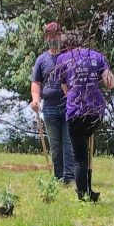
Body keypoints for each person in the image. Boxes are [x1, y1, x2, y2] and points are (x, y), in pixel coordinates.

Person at [56, 30, 114, 202]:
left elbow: (66, 90)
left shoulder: (62, 59)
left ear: (66, 45)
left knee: (80, 157)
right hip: (95, 110)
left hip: (75, 110)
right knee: (86, 149)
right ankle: (89, 190)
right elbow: (110, 84)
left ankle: (83, 195)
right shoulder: (97, 56)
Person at [30, 22, 75, 187]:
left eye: (56, 35)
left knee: (69, 142)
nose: (53, 38)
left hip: (69, 105)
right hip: (49, 106)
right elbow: (36, 83)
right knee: (55, 145)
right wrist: (35, 99)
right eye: (50, 35)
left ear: (60, 36)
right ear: (46, 38)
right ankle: (58, 177)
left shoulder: (70, 58)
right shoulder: (41, 59)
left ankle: (69, 178)